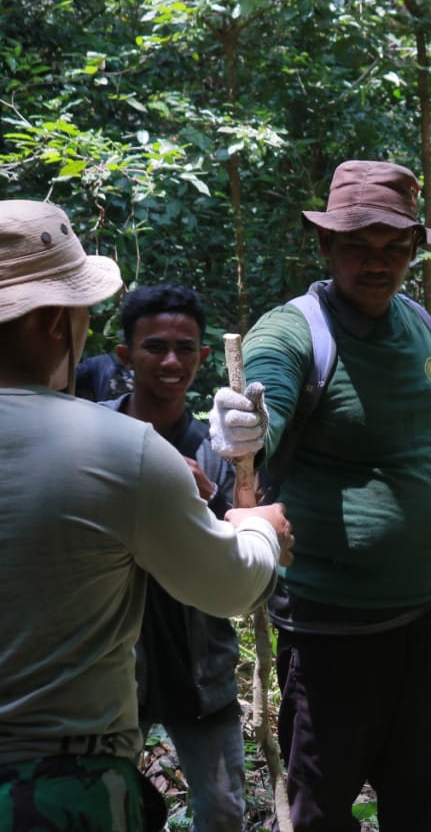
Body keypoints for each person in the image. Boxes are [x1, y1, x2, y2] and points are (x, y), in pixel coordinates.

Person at [207, 160, 431, 832]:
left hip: (428, 620)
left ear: (412, 251)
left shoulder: (421, 327)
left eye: (394, 248)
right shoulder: (291, 332)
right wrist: (242, 425)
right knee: (321, 806)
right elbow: (263, 405)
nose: (378, 263)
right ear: (325, 246)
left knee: (427, 801)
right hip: (330, 631)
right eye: (357, 246)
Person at [0, 199, 292, 832]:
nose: (170, 362)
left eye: (185, 348)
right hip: (63, 783)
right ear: (58, 322)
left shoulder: (183, 446)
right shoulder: (118, 447)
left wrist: (232, 482)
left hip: (194, 676)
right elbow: (233, 581)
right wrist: (259, 528)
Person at [100, 284, 246, 832]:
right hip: (108, 669)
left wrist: (210, 495)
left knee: (225, 812)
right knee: (107, 810)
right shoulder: (93, 434)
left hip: (198, 665)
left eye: (186, 349)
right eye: (154, 347)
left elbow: (244, 549)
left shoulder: (220, 448)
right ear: (125, 355)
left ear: (205, 357)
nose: (170, 361)